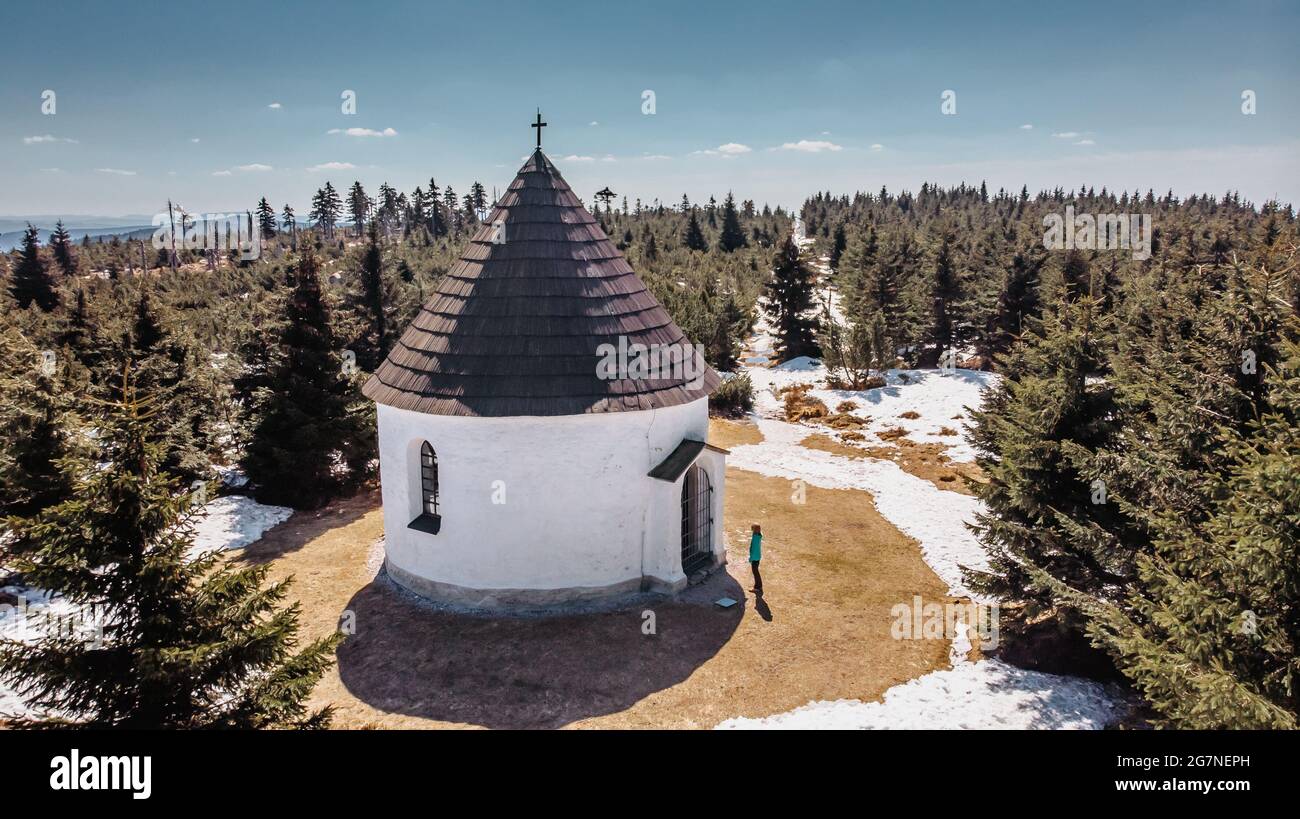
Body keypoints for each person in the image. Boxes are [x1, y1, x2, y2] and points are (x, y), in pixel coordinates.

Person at [748, 523, 763, 595]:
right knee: (756, 572)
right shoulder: (759, 536)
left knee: (755, 572)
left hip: (755, 558)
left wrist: (751, 558)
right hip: (758, 557)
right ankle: (758, 586)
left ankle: (757, 587)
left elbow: (753, 549)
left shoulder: (755, 539)